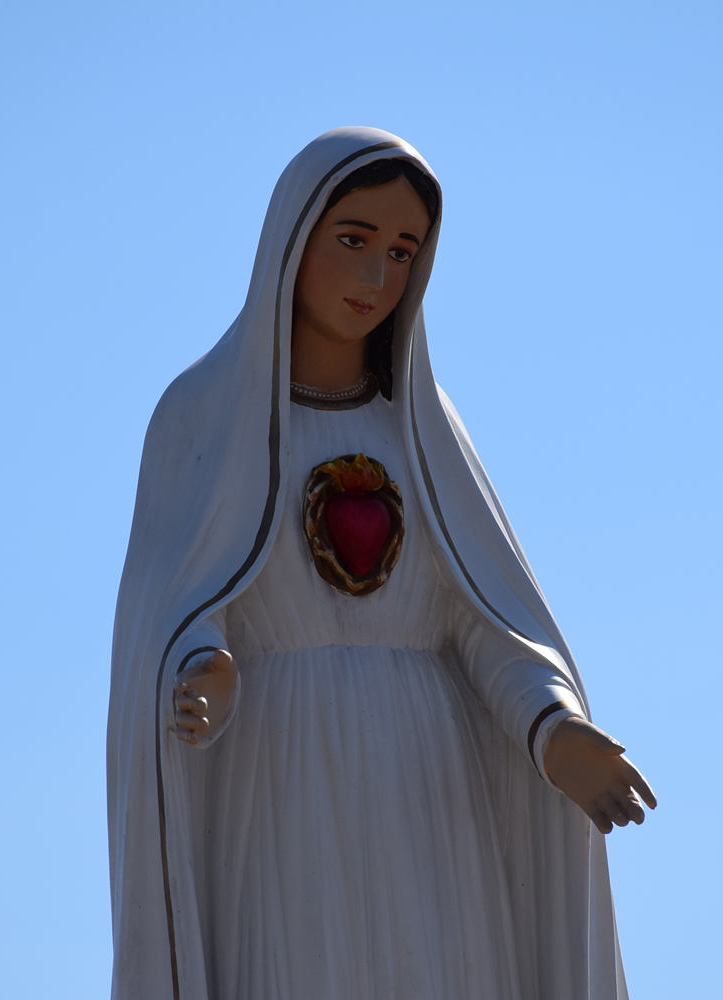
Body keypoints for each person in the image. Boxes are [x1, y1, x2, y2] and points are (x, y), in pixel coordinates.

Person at [108, 127, 656, 1000]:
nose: (376, 275)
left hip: (431, 784)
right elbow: (179, 597)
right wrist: (201, 664)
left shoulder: (425, 433)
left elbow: (483, 622)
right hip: (282, 777)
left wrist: (550, 729)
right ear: (292, 239)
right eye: (354, 239)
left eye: (402, 252)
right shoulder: (203, 416)